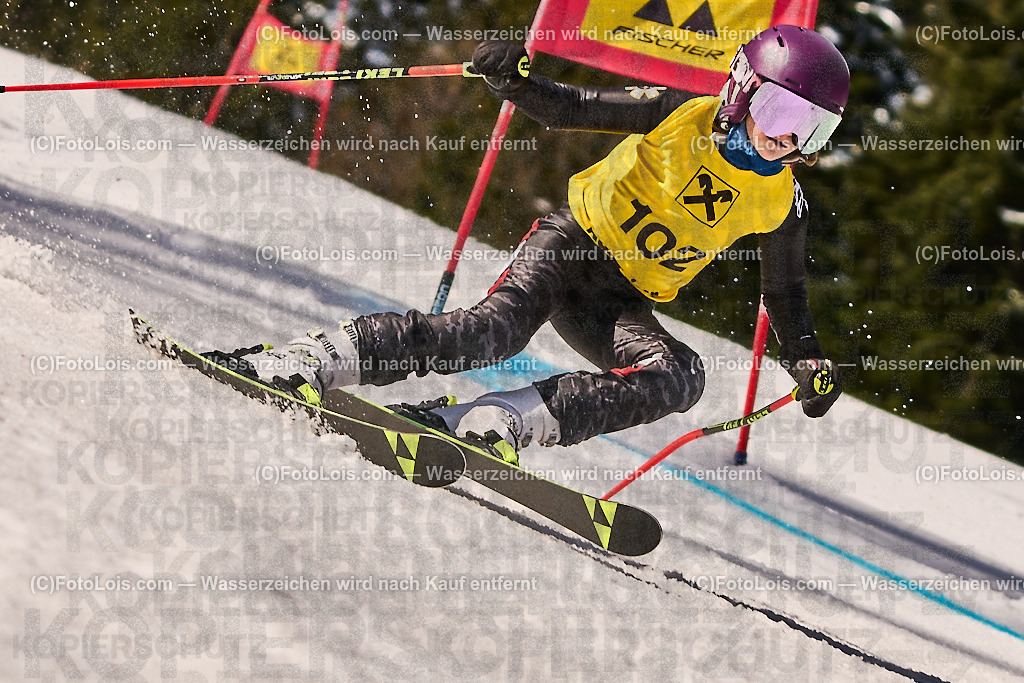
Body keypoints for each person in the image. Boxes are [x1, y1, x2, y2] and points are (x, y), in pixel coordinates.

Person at [214, 25, 847, 464]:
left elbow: (784, 292)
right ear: (742, 89)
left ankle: (501, 420)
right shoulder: (680, 114)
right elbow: (571, 107)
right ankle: (315, 357)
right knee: (494, 332)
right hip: (570, 247)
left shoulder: (782, 202)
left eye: (812, 130)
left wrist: (807, 359)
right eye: (781, 114)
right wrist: (516, 82)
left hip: (617, 305)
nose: (787, 140)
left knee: (679, 377)